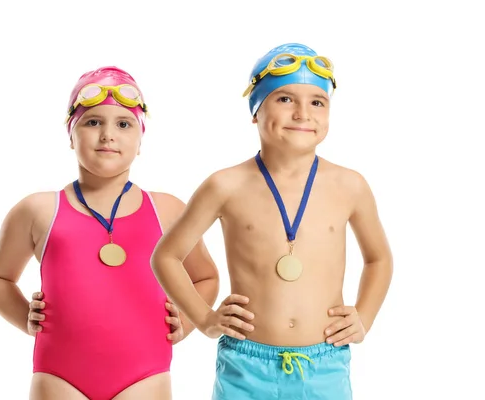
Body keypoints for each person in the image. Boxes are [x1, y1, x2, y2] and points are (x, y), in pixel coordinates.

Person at [150, 43, 393, 399]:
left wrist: (365, 317)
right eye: (284, 99)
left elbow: (379, 258)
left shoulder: (349, 185)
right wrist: (205, 319)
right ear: (255, 111)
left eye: (317, 102)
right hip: (246, 363)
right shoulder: (225, 184)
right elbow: (166, 256)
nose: (302, 113)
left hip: (324, 362)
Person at [0, 66, 220, 400]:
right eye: (93, 122)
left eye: (124, 124)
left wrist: (185, 320)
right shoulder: (37, 210)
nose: (108, 134)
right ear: (71, 135)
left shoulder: (167, 210)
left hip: (144, 376)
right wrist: (25, 320)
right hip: (59, 376)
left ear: (140, 141)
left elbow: (205, 277)